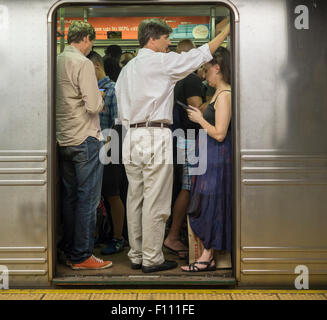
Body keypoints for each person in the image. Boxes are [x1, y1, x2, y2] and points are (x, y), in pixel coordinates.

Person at [115, 18, 230, 273]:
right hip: (155, 135)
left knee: (135, 199)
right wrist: (226, 31)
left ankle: (136, 254)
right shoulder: (161, 62)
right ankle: (152, 258)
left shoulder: (127, 69)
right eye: (167, 39)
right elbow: (202, 55)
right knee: (156, 200)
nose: (170, 44)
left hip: (129, 137)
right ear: (153, 38)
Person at [56, 21, 112, 270]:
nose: (92, 47)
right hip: (85, 138)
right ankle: (82, 256)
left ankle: (69, 248)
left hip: (64, 137)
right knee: (88, 199)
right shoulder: (83, 63)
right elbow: (92, 106)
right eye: (92, 42)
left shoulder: (58, 60)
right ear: (87, 38)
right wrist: (99, 97)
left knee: (69, 198)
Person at [181, 47, 232, 272]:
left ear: (217, 68)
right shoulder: (219, 94)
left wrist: (200, 119)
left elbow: (220, 133)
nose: (204, 73)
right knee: (210, 204)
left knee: (212, 205)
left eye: (206, 68)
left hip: (216, 160)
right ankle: (208, 254)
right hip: (211, 158)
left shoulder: (225, 95)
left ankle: (207, 255)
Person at [164, 39, 204, 260]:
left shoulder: (175, 79)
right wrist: (219, 100)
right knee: (188, 188)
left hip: (177, 137)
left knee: (182, 186)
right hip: (191, 138)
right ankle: (173, 236)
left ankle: (175, 232)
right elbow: (197, 109)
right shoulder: (191, 79)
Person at [87, 50, 126, 255]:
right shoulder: (88, 90)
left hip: (109, 148)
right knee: (96, 195)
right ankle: (100, 233)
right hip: (92, 149)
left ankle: (118, 237)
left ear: (96, 66)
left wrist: (108, 151)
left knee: (112, 194)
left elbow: (117, 122)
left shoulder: (113, 90)